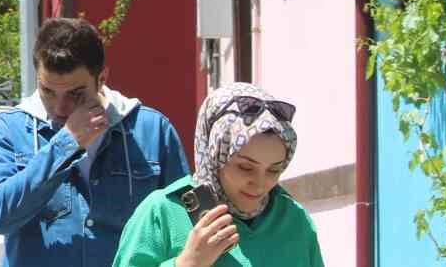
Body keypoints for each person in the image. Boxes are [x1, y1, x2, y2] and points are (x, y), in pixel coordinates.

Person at [0, 17, 190, 267]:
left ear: (102, 78)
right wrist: (66, 144)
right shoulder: (8, 130)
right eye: (48, 91)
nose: (60, 108)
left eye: (75, 94)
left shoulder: (152, 131)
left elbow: (184, 227)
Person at [112, 83, 325, 267]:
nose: (260, 184)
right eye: (245, 167)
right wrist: (187, 263)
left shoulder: (295, 221)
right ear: (214, 156)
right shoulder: (163, 213)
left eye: (274, 169)